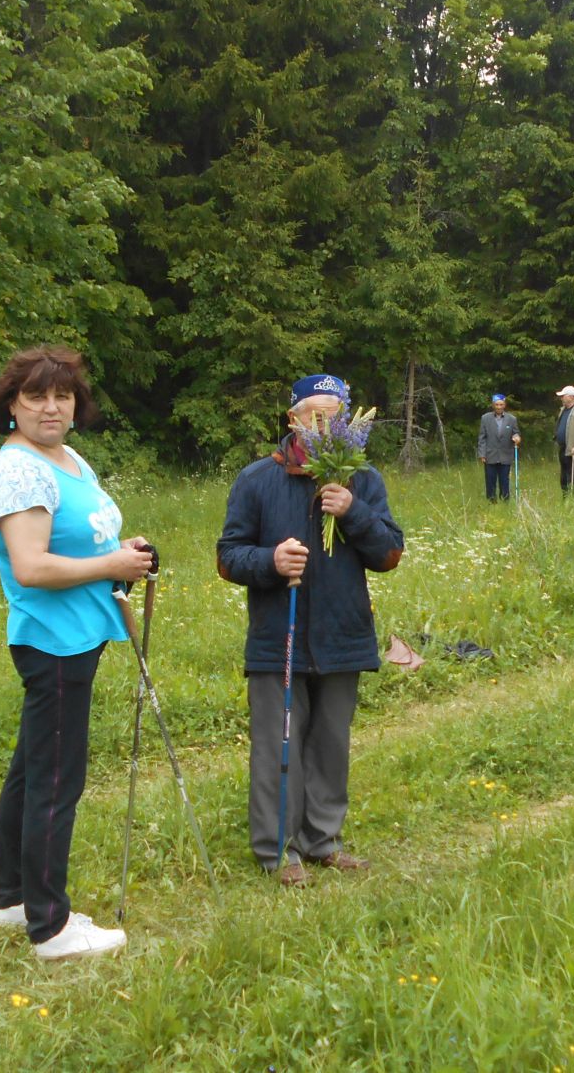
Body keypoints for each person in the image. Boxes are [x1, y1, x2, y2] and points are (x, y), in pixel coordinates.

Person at [0, 344, 152, 961]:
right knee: (57, 780)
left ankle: (13, 899)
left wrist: (119, 547)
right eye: (36, 396)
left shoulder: (66, 458)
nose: (51, 407)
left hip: (78, 634)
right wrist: (112, 563)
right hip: (53, 640)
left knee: (32, 769)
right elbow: (29, 566)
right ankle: (51, 928)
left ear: (76, 405)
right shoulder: (21, 470)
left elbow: (81, 534)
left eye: (62, 395)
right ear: (11, 406)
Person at [217, 374, 405, 887]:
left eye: (335, 414)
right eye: (315, 413)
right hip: (278, 637)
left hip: (343, 634)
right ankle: (278, 851)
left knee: (329, 744)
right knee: (277, 746)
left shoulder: (362, 479)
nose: (325, 424)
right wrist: (271, 561)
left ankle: (323, 841)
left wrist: (353, 512)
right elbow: (228, 558)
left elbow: (389, 554)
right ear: (293, 419)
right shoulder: (257, 479)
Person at [476, 394, 522, 502]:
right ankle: (491, 501)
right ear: (493, 405)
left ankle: (505, 500)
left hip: (505, 455)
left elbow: (516, 433)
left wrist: (517, 438)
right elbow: (482, 437)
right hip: (490, 455)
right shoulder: (485, 418)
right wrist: (482, 454)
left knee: (504, 480)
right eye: (496, 404)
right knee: (490, 480)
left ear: (504, 405)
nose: (499, 407)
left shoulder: (512, 419)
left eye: (501, 404)